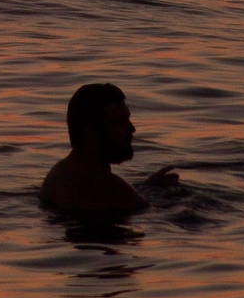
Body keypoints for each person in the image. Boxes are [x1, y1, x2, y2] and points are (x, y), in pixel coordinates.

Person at [40, 83, 179, 213]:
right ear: (90, 131)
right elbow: (147, 212)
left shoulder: (61, 174)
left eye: (127, 119)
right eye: (119, 122)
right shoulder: (111, 190)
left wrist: (145, 188)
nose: (131, 128)